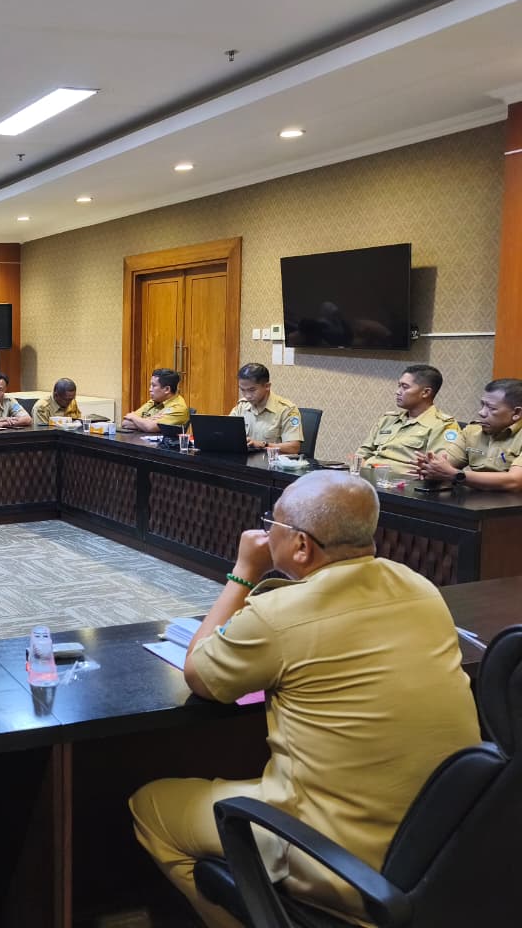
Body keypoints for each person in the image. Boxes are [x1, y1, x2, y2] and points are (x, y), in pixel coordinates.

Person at [129, 471, 479, 927]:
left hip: (336, 857)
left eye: (271, 522)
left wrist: (243, 573)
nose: (264, 530)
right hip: (442, 849)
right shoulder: (419, 588)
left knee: (151, 807)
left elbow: (199, 673)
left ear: (300, 546)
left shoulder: (278, 615)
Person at [414, 377, 522, 490]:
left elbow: (514, 481)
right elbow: (445, 464)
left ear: (516, 413)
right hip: (475, 498)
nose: (481, 412)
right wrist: (431, 467)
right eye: (482, 405)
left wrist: (456, 475)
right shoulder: (472, 431)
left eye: (491, 408)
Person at [355, 364, 459, 474]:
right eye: (399, 386)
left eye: (405, 387)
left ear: (426, 392)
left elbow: (437, 468)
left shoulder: (443, 425)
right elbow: (362, 454)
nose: (398, 391)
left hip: (401, 481)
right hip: (368, 477)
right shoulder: (388, 420)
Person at [228, 362, 303, 452]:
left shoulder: (287, 409)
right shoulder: (242, 406)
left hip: (271, 460)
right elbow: (226, 432)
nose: (247, 395)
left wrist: (263, 445)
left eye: (252, 390)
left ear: (267, 386)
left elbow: (294, 447)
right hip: (244, 459)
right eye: (243, 390)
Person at [122, 369, 189, 432]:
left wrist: (133, 417)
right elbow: (125, 423)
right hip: (140, 439)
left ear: (167, 389)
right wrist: (147, 421)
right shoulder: (154, 401)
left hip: (161, 440)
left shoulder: (178, 408)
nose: (150, 389)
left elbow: (150, 427)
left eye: (154, 386)